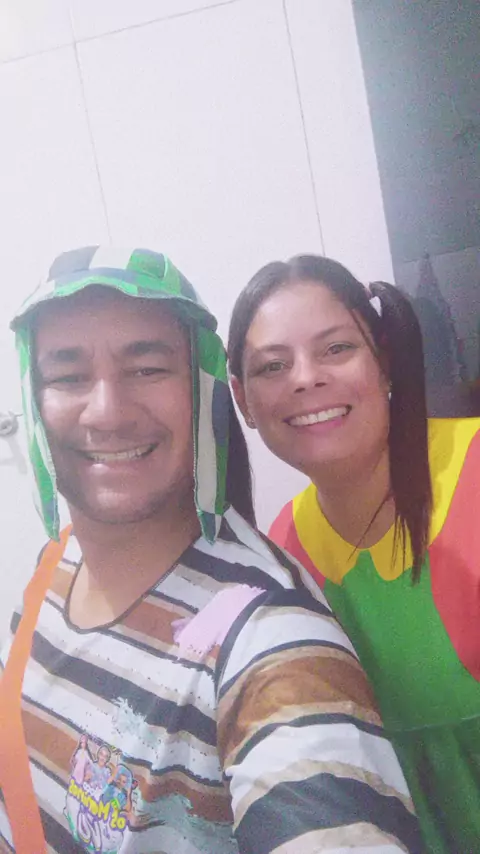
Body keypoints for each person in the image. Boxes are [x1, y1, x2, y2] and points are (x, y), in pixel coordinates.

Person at [0, 247, 420, 854]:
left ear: (204, 391)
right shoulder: (51, 569)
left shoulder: (268, 639)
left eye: (147, 369)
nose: (107, 412)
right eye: (67, 376)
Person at [228, 252, 480, 854]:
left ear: (384, 359)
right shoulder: (283, 547)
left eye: (336, 348)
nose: (305, 379)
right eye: (272, 365)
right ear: (243, 400)